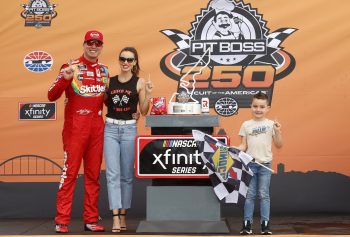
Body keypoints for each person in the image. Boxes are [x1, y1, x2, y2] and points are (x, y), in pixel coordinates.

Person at [48, 30, 109, 233]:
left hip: (96, 128)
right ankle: (62, 220)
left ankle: (91, 219)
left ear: (101, 46)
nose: (93, 47)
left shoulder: (105, 71)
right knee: (70, 174)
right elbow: (51, 95)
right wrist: (65, 79)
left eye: (97, 43)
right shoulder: (70, 67)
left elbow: (110, 100)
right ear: (84, 44)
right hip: (75, 129)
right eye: (90, 43)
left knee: (93, 176)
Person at [103, 47, 153, 232]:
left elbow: (144, 110)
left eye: (130, 60)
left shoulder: (139, 82)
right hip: (110, 128)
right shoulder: (110, 81)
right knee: (112, 175)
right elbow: (99, 100)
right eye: (123, 58)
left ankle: (123, 215)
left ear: (135, 62)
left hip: (129, 130)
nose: (125, 62)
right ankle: (115, 217)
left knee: (126, 176)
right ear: (119, 60)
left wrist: (148, 93)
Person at [237, 92, 283, 235]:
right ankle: (247, 225)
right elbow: (243, 145)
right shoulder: (246, 124)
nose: (258, 109)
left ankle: (265, 225)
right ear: (251, 106)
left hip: (265, 165)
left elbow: (279, 144)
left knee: (264, 194)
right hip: (250, 164)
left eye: (262, 107)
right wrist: (234, 150)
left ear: (267, 108)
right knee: (250, 195)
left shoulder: (271, 125)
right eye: (255, 106)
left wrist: (278, 131)